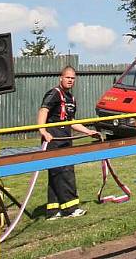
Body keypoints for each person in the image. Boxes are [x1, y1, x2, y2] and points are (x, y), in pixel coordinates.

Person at [38, 66, 99, 219]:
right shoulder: (54, 94)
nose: (70, 80)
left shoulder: (71, 99)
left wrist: (88, 131)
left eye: (73, 78)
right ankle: (71, 209)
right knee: (64, 172)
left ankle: (53, 211)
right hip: (54, 138)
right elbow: (43, 111)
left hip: (66, 138)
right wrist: (43, 131)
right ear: (61, 78)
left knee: (56, 174)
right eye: (67, 77)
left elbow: (71, 121)